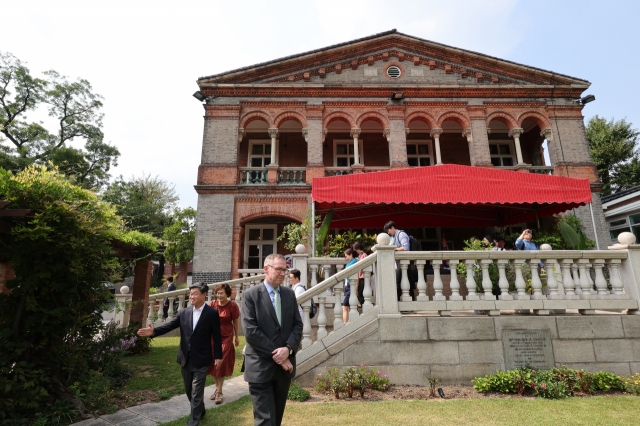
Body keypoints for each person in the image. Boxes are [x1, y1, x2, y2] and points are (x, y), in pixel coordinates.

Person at [137, 284, 222, 426]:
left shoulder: (212, 313)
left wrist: (218, 356)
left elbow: (217, 337)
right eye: (191, 294)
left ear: (204, 294)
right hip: (185, 358)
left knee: (196, 391)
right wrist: (154, 332)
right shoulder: (184, 312)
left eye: (195, 293)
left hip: (202, 358)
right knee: (189, 390)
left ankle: (193, 421)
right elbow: (170, 325)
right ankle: (200, 411)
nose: (192, 296)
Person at [242, 253, 303, 426]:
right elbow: (251, 331)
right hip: (260, 368)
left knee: (275, 420)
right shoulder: (250, 296)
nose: (283, 273)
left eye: (285, 270)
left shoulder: (289, 295)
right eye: (279, 269)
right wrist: (280, 356)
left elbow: (297, 325)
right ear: (266, 269)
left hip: (283, 372)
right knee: (265, 421)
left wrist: (288, 349)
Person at [208, 283, 240, 405]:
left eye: (221, 293)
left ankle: (219, 392)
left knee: (221, 362)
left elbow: (236, 322)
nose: (219, 295)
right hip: (213, 337)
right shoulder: (212, 305)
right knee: (213, 363)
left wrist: (237, 337)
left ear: (227, 293)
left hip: (227, 336)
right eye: (217, 293)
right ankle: (217, 389)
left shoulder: (233, 306)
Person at [383, 221, 417, 301]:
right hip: (400, 263)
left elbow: (405, 248)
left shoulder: (401, 234)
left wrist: (394, 249)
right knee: (407, 283)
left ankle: (396, 303)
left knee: (397, 282)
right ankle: (409, 304)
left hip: (403, 263)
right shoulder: (395, 236)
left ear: (392, 227)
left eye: (388, 231)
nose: (388, 233)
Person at [342, 248, 359, 324]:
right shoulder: (350, 262)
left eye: (346, 256)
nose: (346, 258)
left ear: (351, 255)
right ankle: (347, 323)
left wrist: (356, 288)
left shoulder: (355, 262)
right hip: (348, 285)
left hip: (352, 286)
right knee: (347, 307)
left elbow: (357, 277)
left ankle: (345, 324)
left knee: (345, 306)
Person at [352, 242, 368, 306]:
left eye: (356, 249)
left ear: (358, 248)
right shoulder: (360, 256)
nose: (356, 251)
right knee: (359, 292)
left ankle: (362, 304)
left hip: (363, 276)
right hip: (360, 276)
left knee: (361, 292)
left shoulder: (364, 255)